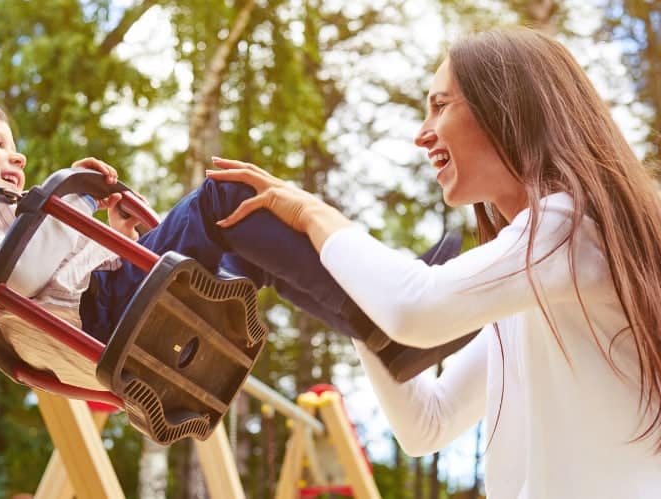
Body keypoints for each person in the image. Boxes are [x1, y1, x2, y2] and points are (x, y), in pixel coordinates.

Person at [206, 28, 661, 498]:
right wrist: (354, 302)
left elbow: (416, 309)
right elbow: (429, 423)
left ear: (507, 109)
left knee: (228, 213)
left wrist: (311, 213)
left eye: (440, 106)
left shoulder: (572, 227)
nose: (422, 134)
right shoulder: (534, 283)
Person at [0, 99, 457, 392]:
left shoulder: (5, 217)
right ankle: (386, 313)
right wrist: (73, 202)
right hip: (107, 316)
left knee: (251, 242)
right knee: (225, 197)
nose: (18, 157)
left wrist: (119, 235)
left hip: (110, 311)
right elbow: (18, 278)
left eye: (15, 146)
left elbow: (56, 273)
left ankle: (384, 325)